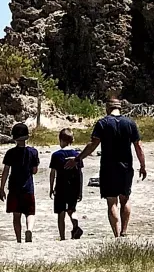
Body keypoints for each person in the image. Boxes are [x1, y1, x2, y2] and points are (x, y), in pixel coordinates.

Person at [66, 98, 147, 238]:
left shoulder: (102, 123)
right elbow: (138, 146)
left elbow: (92, 145)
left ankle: (116, 234)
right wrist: (143, 165)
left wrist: (78, 158)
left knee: (112, 202)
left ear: (107, 109)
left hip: (108, 167)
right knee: (125, 199)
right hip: (126, 166)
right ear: (120, 108)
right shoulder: (130, 123)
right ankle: (124, 231)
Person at [0, 123, 40, 243]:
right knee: (30, 213)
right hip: (28, 188)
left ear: (14, 138)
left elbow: (6, 171)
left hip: (14, 188)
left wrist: (2, 188)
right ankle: (30, 229)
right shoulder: (33, 152)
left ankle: (18, 239)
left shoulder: (10, 153)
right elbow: (34, 170)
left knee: (16, 216)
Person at [49, 128, 84, 240]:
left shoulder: (56, 155)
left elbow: (52, 173)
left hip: (61, 187)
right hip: (74, 187)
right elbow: (80, 174)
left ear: (61, 140)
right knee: (72, 210)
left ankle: (62, 237)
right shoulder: (77, 155)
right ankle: (76, 226)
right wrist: (80, 191)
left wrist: (51, 188)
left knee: (61, 213)